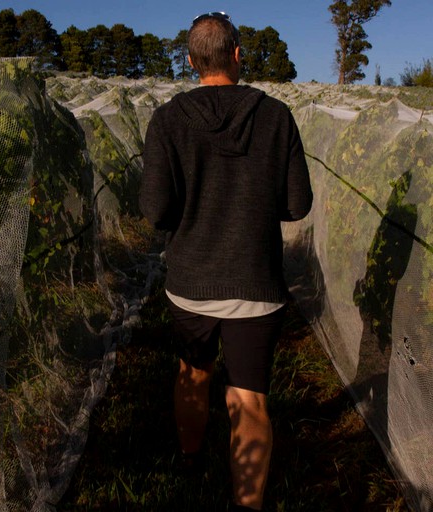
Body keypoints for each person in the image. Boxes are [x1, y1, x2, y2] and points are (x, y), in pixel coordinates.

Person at [139, 11, 312, 512]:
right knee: (249, 398)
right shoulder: (277, 117)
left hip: (190, 281)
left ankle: (191, 459)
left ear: (192, 62)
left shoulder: (168, 120)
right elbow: (297, 204)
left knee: (193, 373)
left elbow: (154, 210)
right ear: (238, 56)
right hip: (257, 284)